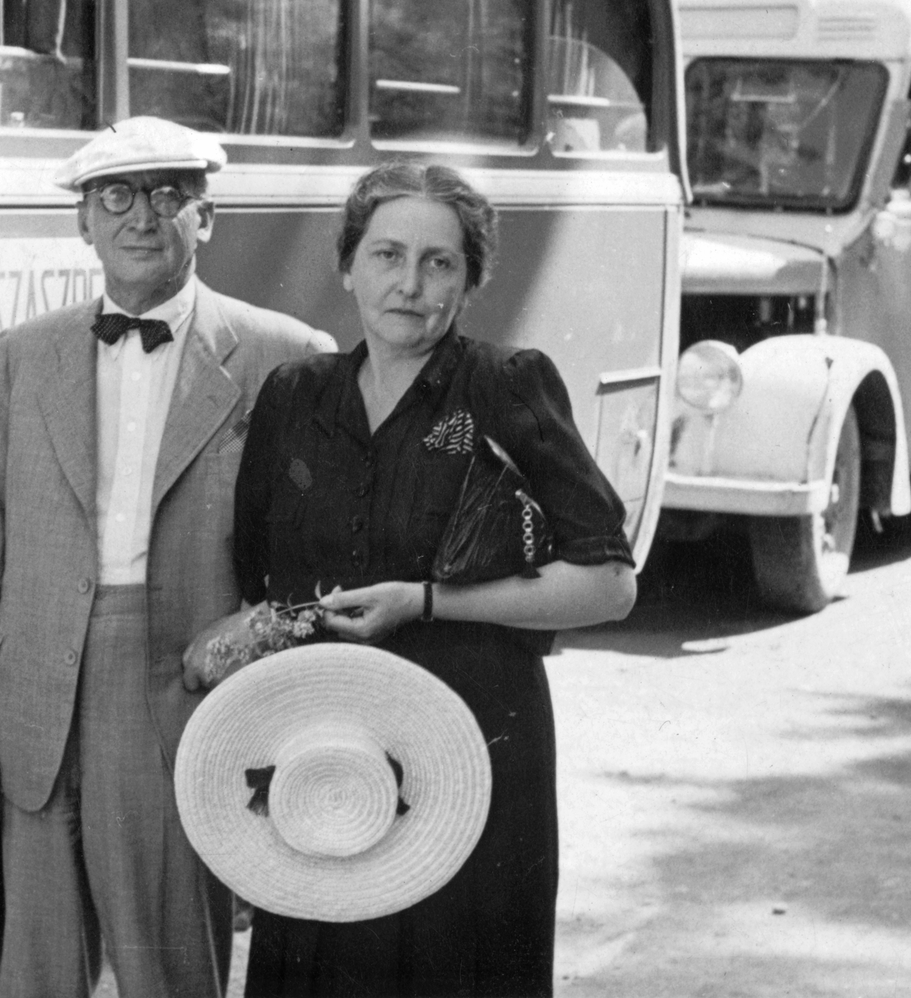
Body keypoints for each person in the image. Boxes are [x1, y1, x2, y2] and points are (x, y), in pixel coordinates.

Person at [190, 161, 636, 997]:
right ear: (347, 266)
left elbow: (609, 584)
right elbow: (263, 579)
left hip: (473, 745)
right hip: (324, 749)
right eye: (388, 255)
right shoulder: (296, 394)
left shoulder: (503, 387)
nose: (410, 283)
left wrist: (428, 600)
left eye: (440, 263)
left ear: (470, 283)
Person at [0, 116, 333, 998]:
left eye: (167, 195)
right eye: (114, 197)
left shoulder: (289, 358)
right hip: (35, 692)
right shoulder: (20, 357)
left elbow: (312, 575)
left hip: (181, 693)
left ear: (207, 217)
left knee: (171, 966)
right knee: (38, 973)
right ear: (83, 222)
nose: (141, 217)